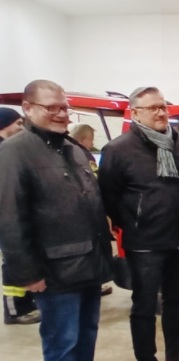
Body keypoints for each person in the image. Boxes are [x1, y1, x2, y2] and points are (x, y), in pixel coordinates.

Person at [0, 80, 122, 361]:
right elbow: (9, 217)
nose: (60, 114)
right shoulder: (14, 152)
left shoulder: (72, 148)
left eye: (64, 107)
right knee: (61, 339)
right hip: (53, 269)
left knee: (86, 331)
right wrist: (27, 273)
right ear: (28, 108)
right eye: (50, 107)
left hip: (88, 261)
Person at [98, 87, 179, 361]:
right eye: (152, 108)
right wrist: (135, 221)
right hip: (144, 241)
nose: (160, 113)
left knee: (176, 299)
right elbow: (109, 197)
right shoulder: (119, 149)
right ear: (135, 113)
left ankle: (175, 351)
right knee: (144, 306)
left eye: (163, 107)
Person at [0, 107, 41, 325]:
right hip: (7, 219)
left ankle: (26, 302)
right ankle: (15, 310)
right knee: (12, 262)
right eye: (17, 123)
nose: (21, 127)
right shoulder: (5, 152)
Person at [69, 123, 113, 297]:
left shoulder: (67, 151)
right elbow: (95, 181)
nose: (92, 143)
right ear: (84, 138)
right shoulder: (82, 154)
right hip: (88, 213)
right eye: (91, 139)